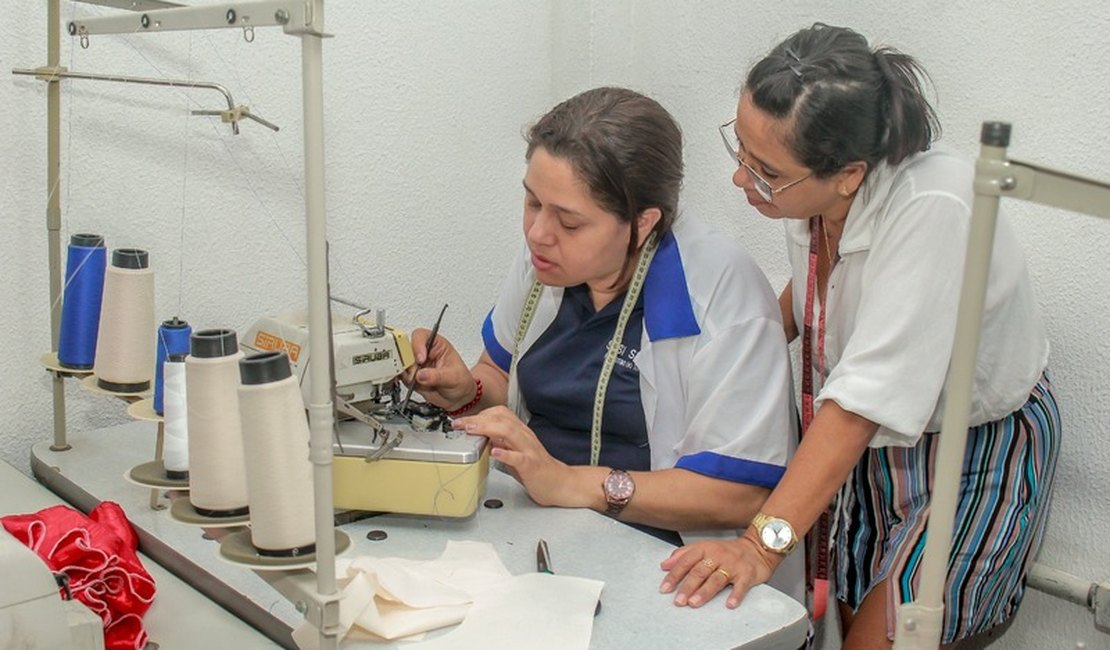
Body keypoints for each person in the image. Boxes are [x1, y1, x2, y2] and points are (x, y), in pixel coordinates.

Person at [658, 23, 1061, 649]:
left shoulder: (937, 209)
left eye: (765, 170)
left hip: (967, 451)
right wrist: (723, 347)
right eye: (740, 151)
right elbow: (817, 297)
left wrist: (759, 549)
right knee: (833, 616)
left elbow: (858, 405)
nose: (743, 181)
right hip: (867, 452)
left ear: (848, 174)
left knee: (882, 638)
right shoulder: (811, 198)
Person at [408, 86, 804, 601]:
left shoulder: (721, 294)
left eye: (569, 220)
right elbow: (501, 379)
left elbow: (739, 495)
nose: (537, 233)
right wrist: (464, 388)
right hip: (542, 533)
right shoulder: (547, 263)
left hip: (669, 564)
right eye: (531, 202)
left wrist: (571, 483)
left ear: (643, 223)